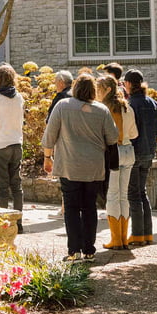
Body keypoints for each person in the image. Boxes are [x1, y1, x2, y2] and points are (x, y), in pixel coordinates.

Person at [42, 74, 118, 262]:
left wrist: (47, 157)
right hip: (93, 166)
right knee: (89, 207)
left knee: (71, 207)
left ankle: (73, 250)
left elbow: (49, 135)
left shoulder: (62, 106)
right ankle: (89, 250)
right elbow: (113, 137)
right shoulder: (102, 110)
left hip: (69, 165)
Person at [122, 69, 157, 246]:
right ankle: (147, 233)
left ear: (129, 84)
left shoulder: (129, 104)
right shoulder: (153, 103)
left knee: (133, 194)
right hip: (149, 151)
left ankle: (137, 234)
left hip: (133, 151)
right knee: (142, 192)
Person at [97, 74, 136, 250]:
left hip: (115, 152)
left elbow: (114, 135)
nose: (97, 92)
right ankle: (123, 238)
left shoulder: (107, 108)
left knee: (113, 196)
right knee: (123, 195)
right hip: (129, 151)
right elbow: (134, 133)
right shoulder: (127, 106)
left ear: (108, 89)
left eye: (99, 89)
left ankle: (116, 239)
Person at [0, 64, 25, 231]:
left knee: (3, 186)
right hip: (16, 143)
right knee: (16, 185)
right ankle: (18, 223)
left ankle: (3, 225)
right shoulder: (19, 97)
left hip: (1, 144)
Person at [46, 70, 74, 219]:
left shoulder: (60, 98)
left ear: (61, 83)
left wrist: (47, 153)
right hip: (78, 143)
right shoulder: (76, 95)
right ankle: (67, 208)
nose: (55, 85)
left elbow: (50, 122)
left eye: (56, 82)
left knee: (64, 176)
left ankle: (64, 209)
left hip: (63, 142)